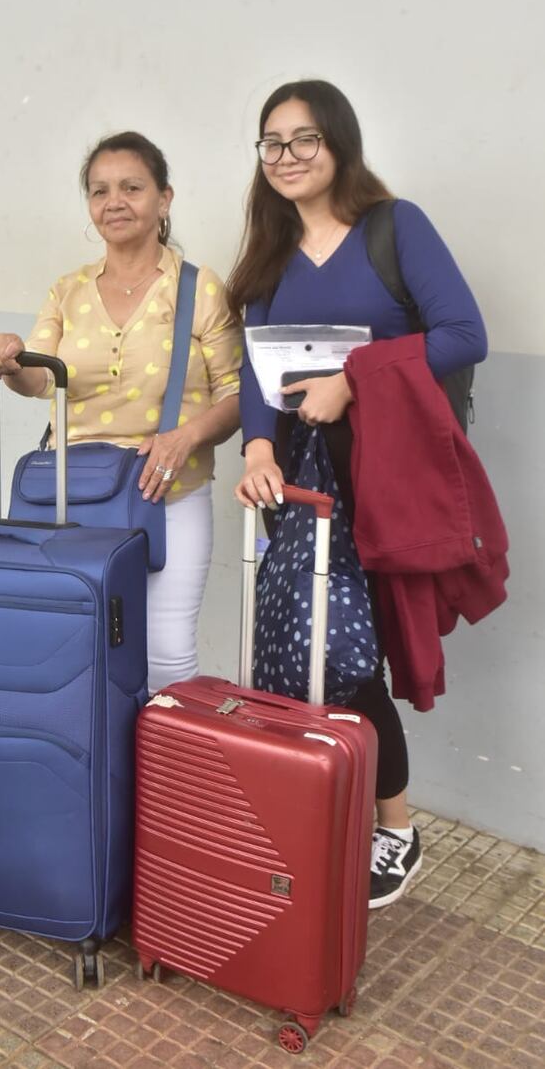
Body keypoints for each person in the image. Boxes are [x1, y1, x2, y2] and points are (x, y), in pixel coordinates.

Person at [230, 80, 488, 908]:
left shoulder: (394, 227)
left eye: (304, 139)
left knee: (343, 651)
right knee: (285, 648)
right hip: (298, 480)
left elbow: (462, 334)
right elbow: (256, 368)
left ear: (339, 142)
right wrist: (259, 442)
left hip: (378, 472)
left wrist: (354, 378)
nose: (287, 157)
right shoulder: (270, 254)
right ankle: (314, 809)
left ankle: (397, 832)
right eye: (272, 142)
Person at [0, 131, 242, 694]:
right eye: (100, 191)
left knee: (167, 654)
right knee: (72, 642)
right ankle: (96, 775)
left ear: (164, 199)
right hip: (76, 491)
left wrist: (185, 437)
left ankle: (163, 778)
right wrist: (8, 359)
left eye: (131, 187)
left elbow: (236, 394)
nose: (114, 202)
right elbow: (41, 377)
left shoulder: (198, 290)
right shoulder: (67, 291)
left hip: (169, 489)